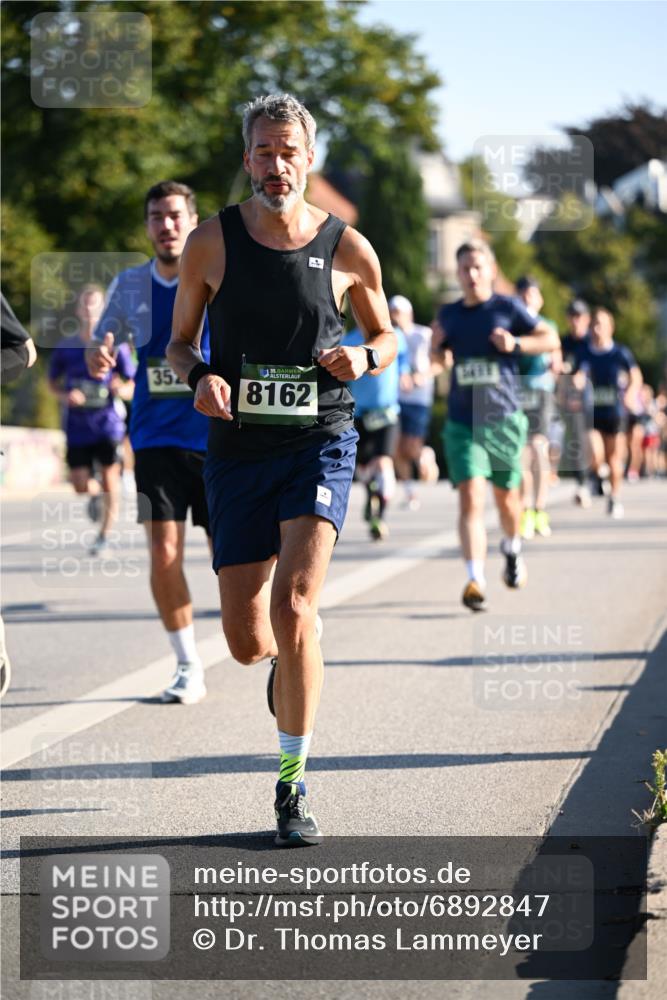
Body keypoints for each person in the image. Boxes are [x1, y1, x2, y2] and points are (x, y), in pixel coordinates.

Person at [166, 93, 396, 846]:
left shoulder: (347, 246)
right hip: (235, 452)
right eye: (262, 152)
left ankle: (291, 789)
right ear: (246, 159)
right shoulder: (211, 241)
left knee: (293, 609)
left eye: (288, 151)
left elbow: (386, 333)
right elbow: (178, 342)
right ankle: (286, 653)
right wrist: (200, 375)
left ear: (309, 157)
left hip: (318, 441)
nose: (275, 165)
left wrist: (363, 355)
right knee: (244, 639)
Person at [87, 181, 212, 704]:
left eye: (175, 215)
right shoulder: (131, 284)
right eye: (157, 216)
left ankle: (282, 626)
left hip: (217, 436)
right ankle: (187, 664)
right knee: (163, 552)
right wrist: (100, 351)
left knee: (237, 554)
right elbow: (105, 336)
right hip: (154, 437)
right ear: (148, 226)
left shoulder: (215, 274)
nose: (167, 225)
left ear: (192, 220)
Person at [432, 240, 560, 613]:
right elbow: (439, 360)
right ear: (457, 273)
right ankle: (476, 578)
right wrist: (437, 350)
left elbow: (550, 338)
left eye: (477, 267)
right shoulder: (450, 314)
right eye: (464, 269)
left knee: (507, 501)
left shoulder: (508, 307)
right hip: (462, 421)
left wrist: (515, 343)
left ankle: (512, 547)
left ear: (489, 269)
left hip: (502, 419)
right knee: (471, 496)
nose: (470, 275)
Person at [49, 285, 135, 556]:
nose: (89, 310)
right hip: (77, 427)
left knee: (111, 478)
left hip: (108, 423)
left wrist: (121, 389)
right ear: (78, 310)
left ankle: (103, 536)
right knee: (79, 486)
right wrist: (65, 395)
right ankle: (95, 493)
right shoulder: (66, 347)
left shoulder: (116, 345)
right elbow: (51, 383)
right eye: (85, 305)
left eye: (95, 305)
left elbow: (134, 381)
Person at [343, 318, 409, 540]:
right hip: (360, 414)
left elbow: (403, 358)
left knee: (383, 462)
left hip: (388, 412)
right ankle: (371, 491)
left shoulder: (394, 336)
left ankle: (379, 516)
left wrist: (406, 373)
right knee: (363, 469)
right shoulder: (349, 341)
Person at [573, 307, 642, 519]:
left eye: (601, 324)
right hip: (592, 412)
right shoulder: (584, 353)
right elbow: (577, 375)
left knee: (614, 459)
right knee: (595, 452)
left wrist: (631, 393)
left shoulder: (620, 352)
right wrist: (576, 385)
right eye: (593, 324)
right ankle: (598, 473)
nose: (596, 329)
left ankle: (615, 498)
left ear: (610, 328)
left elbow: (636, 376)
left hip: (615, 413)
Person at [514, 277, 560, 540]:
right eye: (523, 296)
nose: (527, 300)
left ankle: (539, 509)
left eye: (532, 295)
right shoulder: (512, 325)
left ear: (539, 299)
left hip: (541, 391)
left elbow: (557, 356)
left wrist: (557, 366)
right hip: (516, 392)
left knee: (539, 447)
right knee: (521, 454)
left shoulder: (549, 326)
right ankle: (525, 510)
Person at [390, 295, 441, 509]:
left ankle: (425, 454)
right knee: (395, 449)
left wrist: (424, 376)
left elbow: (440, 362)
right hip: (395, 399)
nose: (394, 319)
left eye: (398, 314)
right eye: (392, 314)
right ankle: (410, 492)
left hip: (419, 400)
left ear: (408, 314)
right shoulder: (389, 337)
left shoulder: (423, 335)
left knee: (411, 447)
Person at [557, 299, 592, 505]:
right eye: (572, 316)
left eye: (579, 316)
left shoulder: (592, 341)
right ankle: (583, 482)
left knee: (596, 445)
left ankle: (598, 474)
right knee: (577, 440)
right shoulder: (564, 343)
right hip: (573, 400)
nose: (575, 320)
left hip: (599, 403)